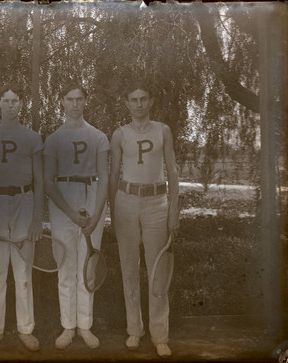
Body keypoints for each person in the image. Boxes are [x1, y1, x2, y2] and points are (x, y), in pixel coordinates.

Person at [108, 82, 179, 357]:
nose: (138, 104)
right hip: (126, 200)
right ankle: (134, 331)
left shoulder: (163, 130)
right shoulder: (119, 134)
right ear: (126, 103)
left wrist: (174, 211)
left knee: (157, 269)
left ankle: (160, 334)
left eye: (143, 99)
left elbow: (172, 171)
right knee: (129, 268)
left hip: (156, 203)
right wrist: (112, 212)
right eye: (133, 99)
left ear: (150, 101)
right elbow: (113, 175)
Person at [0, 84, 44, 353]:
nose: (11, 105)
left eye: (16, 100)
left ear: (21, 104)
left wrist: (37, 219)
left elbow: (39, 180)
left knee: (23, 270)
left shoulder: (33, 138)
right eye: (6, 100)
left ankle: (26, 329)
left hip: (24, 202)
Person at [43, 83, 109, 350]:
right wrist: (69, 213)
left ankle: (85, 326)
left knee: (88, 267)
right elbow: (48, 181)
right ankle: (68, 326)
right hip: (63, 199)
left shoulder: (98, 136)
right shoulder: (54, 139)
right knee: (66, 265)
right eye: (69, 99)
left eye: (79, 99)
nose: (74, 103)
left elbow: (104, 178)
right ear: (62, 102)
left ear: (85, 101)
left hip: (91, 195)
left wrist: (96, 215)